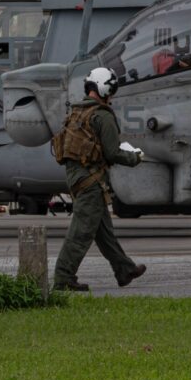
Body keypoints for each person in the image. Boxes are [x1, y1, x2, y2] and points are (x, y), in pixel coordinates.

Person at [49, 67, 146, 292]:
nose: (111, 96)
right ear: (105, 89)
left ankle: (124, 270)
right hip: (92, 181)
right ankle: (63, 279)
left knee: (103, 232)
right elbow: (112, 153)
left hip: (78, 179)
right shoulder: (102, 115)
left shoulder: (76, 112)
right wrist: (135, 157)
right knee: (81, 232)